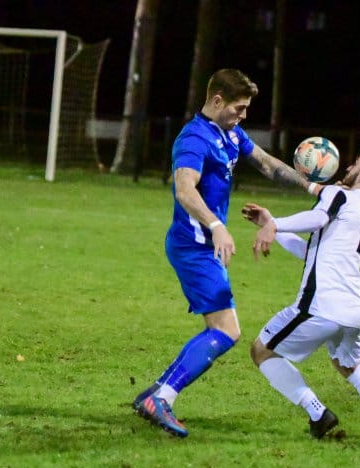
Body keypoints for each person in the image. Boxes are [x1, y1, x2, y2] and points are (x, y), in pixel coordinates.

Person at [133, 68, 319, 438]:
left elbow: (266, 163)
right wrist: (216, 225)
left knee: (222, 328)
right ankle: (161, 398)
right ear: (217, 101)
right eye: (239, 107)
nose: (243, 115)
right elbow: (184, 189)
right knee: (226, 330)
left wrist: (313, 188)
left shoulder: (230, 133)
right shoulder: (194, 138)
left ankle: (156, 394)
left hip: (204, 245)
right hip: (194, 246)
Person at [240, 148, 360, 444]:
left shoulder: (340, 195)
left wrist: (275, 225)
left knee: (262, 350)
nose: (347, 167)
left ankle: (317, 412)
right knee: (349, 366)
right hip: (352, 311)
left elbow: (317, 218)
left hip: (321, 306)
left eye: (355, 164)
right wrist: (272, 222)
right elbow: (312, 252)